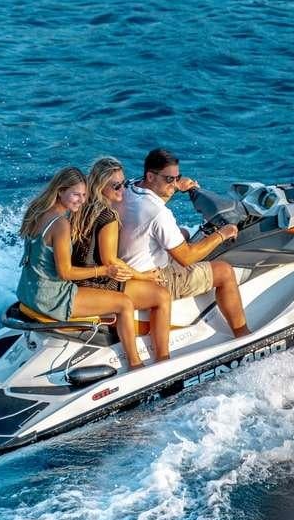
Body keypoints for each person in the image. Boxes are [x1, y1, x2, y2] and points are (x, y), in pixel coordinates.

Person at [16, 166, 147, 369]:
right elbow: (66, 273)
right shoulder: (60, 224)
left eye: (84, 195)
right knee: (124, 303)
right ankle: (135, 364)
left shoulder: (37, 211)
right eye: (76, 194)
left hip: (28, 291)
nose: (82, 200)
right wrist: (105, 270)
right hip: (51, 298)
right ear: (60, 191)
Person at [118, 148, 251, 337]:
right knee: (224, 271)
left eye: (177, 177)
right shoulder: (159, 214)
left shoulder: (129, 187)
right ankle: (243, 334)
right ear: (150, 176)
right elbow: (186, 258)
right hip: (154, 278)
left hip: (129, 265)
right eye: (169, 179)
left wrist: (175, 186)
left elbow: (151, 204)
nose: (174, 183)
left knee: (184, 233)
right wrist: (222, 234)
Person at [71, 157, 175, 363]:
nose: (123, 189)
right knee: (161, 296)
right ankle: (161, 359)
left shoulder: (82, 207)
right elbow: (111, 262)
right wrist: (144, 276)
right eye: (116, 186)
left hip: (79, 278)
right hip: (96, 282)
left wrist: (174, 187)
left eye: (124, 183)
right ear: (101, 186)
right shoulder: (108, 216)